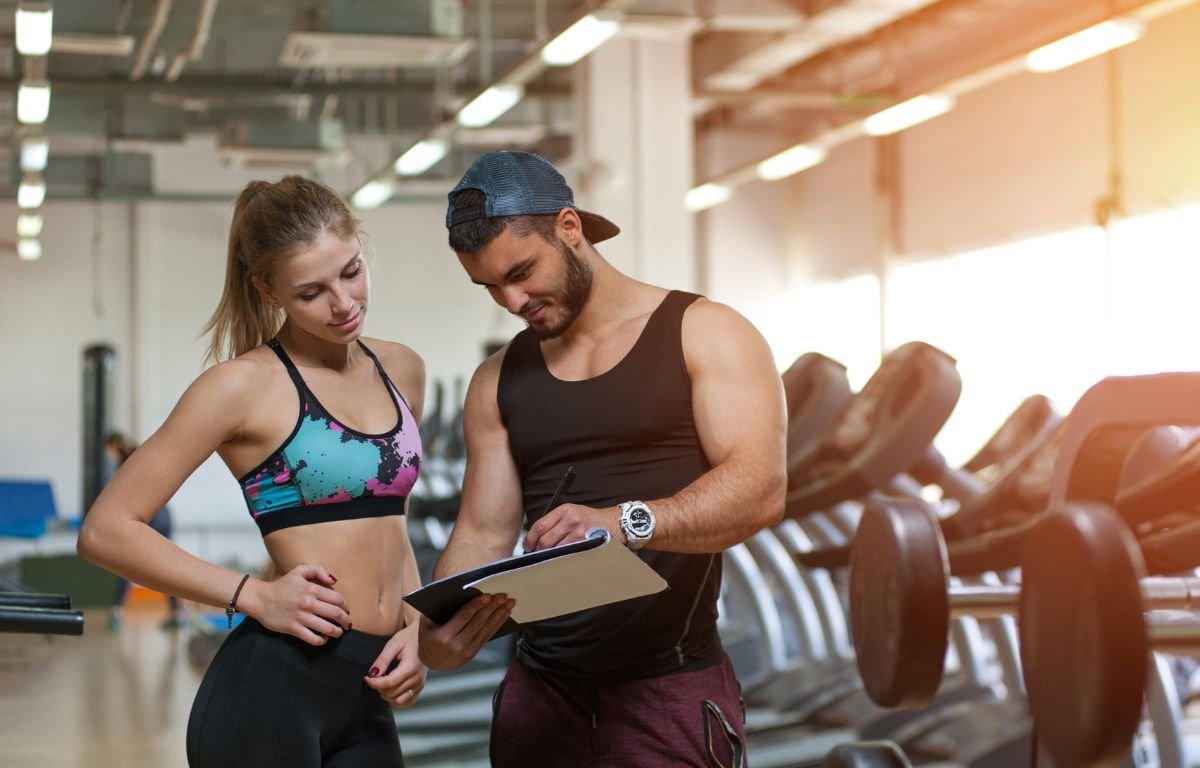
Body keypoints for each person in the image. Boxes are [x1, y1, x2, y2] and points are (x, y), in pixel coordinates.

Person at [418, 150, 788, 768]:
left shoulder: (706, 332)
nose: (511, 301)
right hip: (539, 694)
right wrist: (444, 630)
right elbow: (483, 533)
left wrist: (625, 522)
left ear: (570, 227)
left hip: (668, 688)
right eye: (490, 288)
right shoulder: (497, 379)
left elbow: (761, 489)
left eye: (522, 272)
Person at [77, 175, 427, 767]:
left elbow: (392, 525)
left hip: (365, 691)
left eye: (351, 271)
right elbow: (107, 529)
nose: (344, 304)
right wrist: (254, 596)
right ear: (267, 289)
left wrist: (416, 628)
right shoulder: (241, 387)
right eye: (311, 291)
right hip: (272, 691)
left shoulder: (400, 369)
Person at [102, 431, 184, 631]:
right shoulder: (140, 458)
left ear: (111, 447)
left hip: (150, 517)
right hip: (164, 514)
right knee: (167, 565)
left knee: (127, 564)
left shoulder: (123, 466)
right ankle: (177, 613)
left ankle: (116, 613)